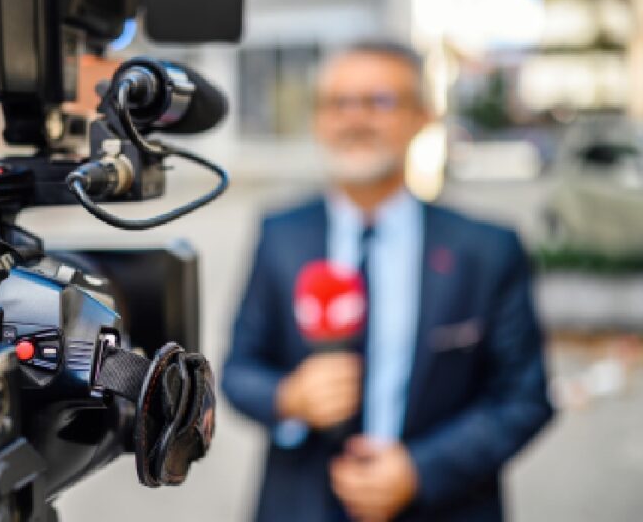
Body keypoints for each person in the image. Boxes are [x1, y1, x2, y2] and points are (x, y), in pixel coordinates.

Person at [222, 40, 554, 522]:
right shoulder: (281, 235)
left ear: (422, 117)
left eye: (379, 102)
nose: (355, 119)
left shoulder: (487, 250)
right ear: (319, 120)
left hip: (445, 504)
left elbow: (523, 398)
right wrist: (288, 397)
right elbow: (238, 370)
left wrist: (420, 470)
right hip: (301, 503)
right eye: (338, 103)